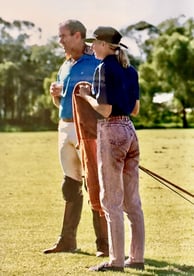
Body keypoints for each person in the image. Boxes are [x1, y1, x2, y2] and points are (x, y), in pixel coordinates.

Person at [77, 26, 145, 272]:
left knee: (111, 201)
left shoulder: (103, 68)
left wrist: (86, 95)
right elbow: (135, 109)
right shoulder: (131, 70)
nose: (92, 47)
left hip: (112, 130)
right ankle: (137, 258)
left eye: (95, 43)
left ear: (105, 45)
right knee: (132, 202)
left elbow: (105, 110)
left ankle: (116, 261)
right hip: (130, 131)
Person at [43, 19, 108, 257]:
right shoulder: (65, 65)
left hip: (89, 131)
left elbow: (103, 100)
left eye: (63, 36)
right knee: (70, 185)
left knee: (95, 184)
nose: (60, 40)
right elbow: (63, 101)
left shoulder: (97, 64)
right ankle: (67, 241)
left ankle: (104, 244)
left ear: (78, 36)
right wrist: (55, 95)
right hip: (64, 128)